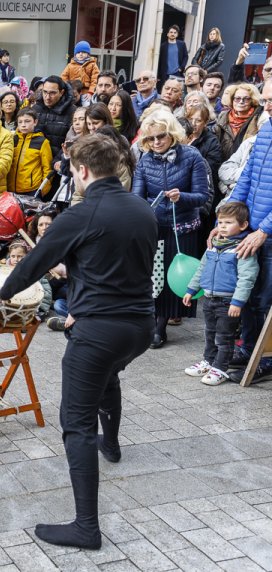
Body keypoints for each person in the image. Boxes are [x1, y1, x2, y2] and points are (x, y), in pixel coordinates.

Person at [0, 134, 156, 550]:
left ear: (82, 170)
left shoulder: (80, 213)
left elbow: (31, 265)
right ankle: (113, 444)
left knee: (76, 424)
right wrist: (79, 270)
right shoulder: (142, 208)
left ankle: (87, 527)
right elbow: (118, 259)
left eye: (71, 169)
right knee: (107, 377)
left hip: (98, 330)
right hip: (139, 327)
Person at [131, 110, 210, 348]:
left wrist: (181, 197)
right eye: (150, 139)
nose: (155, 143)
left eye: (161, 137)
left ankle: (160, 328)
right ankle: (147, 323)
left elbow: (203, 196)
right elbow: (137, 197)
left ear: (172, 134)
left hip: (182, 227)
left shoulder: (192, 156)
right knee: (152, 278)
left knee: (171, 278)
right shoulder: (145, 159)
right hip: (154, 226)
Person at [216, 82, 272, 384]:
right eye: (264, 100)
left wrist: (264, 230)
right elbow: (247, 177)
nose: (266, 106)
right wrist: (227, 218)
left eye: (271, 100)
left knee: (265, 300)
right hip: (250, 230)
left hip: (267, 234)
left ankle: (267, 358)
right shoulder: (266, 130)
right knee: (250, 296)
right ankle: (250, 349)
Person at [183, 201, 258, 385]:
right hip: (209, 299)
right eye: (220, 222)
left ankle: (220, 368)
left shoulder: (242, 249)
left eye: (228, 223)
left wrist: (238, 302)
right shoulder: (214, 244)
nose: (223, 227)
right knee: (209, 333)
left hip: (228, 302)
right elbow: (201, 268)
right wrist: (191, 290)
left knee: (224, 337)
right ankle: (209, 361)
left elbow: (247, 277)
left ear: (243, 225)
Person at [7, 107, 53, 196]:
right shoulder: (12, 140)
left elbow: (47, 168)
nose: (23, 125)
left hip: (32, 190)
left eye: (27, 121)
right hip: (10, 189)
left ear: (35, 122)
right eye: (20, 122)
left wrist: (43, 191)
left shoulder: (42, 142)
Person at [32, 76, 75, 166]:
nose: (47, 97)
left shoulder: (72, 112)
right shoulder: (35, 108)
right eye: (45, 92)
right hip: (35, 162)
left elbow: (74, 140)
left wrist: (59, 161)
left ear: (61, 93)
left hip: (59, 164)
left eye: (52, 93)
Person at [215, 83, 263, 160]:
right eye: (237, 98)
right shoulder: (223, 118)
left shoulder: (259, 118)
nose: (241, 102)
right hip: (223, 165)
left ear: (252, 100)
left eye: (246, 99)